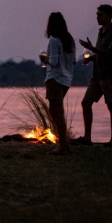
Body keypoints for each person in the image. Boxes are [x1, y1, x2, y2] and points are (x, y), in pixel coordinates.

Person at [78, 4, 112, 147]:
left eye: (100, 15)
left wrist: (93, 49)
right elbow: (100, 54)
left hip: (108, 75)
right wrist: (91, 57)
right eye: (97, 14)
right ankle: (87, 138)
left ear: (108, 16)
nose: (97, 17)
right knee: (86, 102)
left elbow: (111, 55)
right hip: (97, 75)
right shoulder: (101, 32)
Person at [39, 12, 76, 155]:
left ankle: (63, 147)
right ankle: (64, 143)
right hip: (66, 79)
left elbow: (53, 61)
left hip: (54, 78)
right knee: (54, 111)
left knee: (58, 113)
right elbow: (73, 61)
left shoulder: (54, 40)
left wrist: (45, 58)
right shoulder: (69, 39)